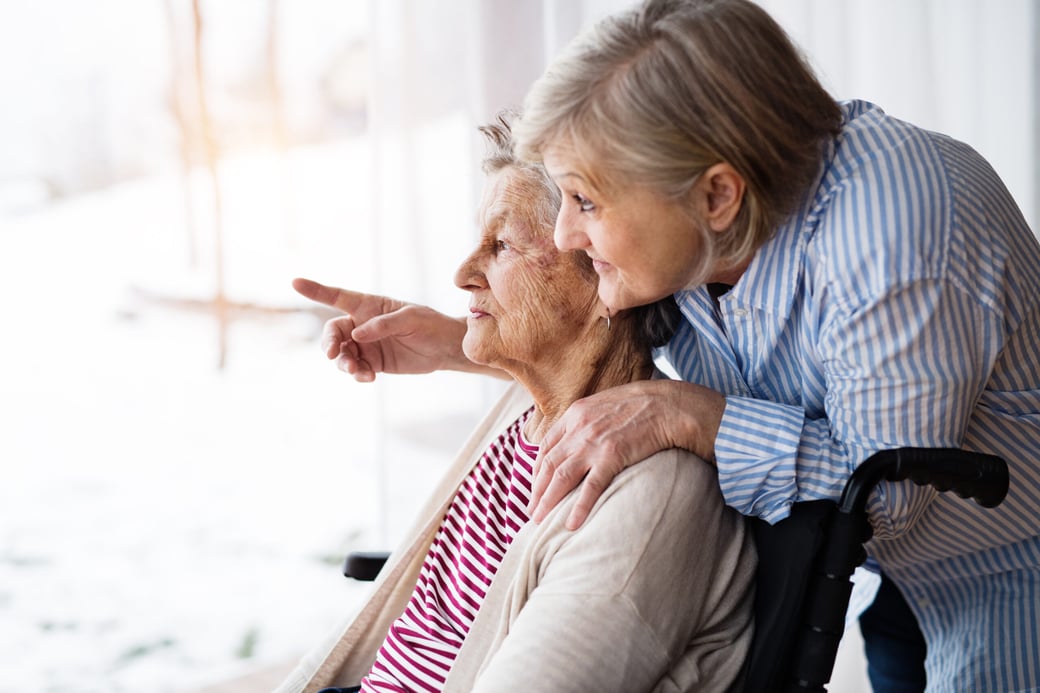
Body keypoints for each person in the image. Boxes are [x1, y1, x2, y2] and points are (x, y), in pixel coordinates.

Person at [306, 2, 1040, 690]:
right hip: (900, 575)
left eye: (586, 202)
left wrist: (691, 415)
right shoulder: (691, 236)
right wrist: (456, 341)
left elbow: (888, 492)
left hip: (1008, 568)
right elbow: (597, 334)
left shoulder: (893, 232)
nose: (566, 235)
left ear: (718, 195)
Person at [277, 113, 755, 693]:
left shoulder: (654, 494)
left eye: (502, 245)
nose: (460, 274)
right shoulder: (527, 409)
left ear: (606, 273)